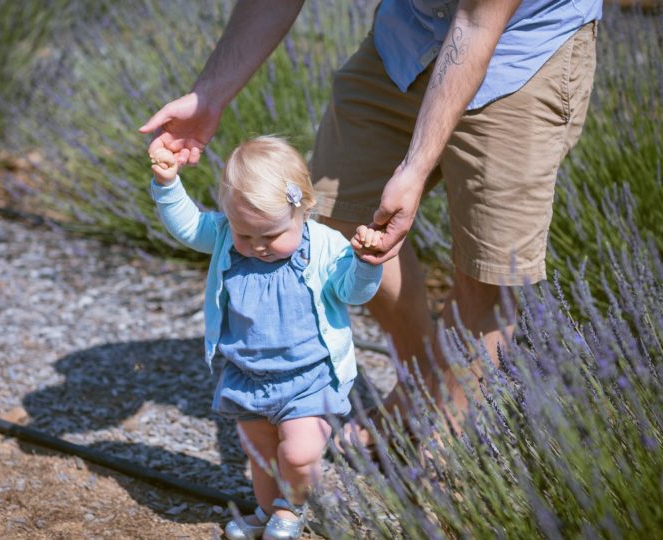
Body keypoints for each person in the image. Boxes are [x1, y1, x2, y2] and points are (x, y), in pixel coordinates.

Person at [140, 0, 602, 447]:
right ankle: (421, 384)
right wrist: (210, 95)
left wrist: (415, 169)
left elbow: (478, 23)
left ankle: (445, 445)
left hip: (520, 56)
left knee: (487, 272)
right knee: (342, 219)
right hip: (408, 39)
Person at [148, 135, 382, 539]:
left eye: (270, 236)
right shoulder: (225, 238)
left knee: (299, 451)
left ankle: (291, 509)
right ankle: (266, 510)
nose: (258, 246)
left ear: (304, 209)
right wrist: (168, 185)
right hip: (247, 375)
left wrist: (366, 264)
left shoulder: (324, 247)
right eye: (245, 234)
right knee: (260, 457)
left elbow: (353, 293)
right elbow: (188, 226)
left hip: (309, 377)